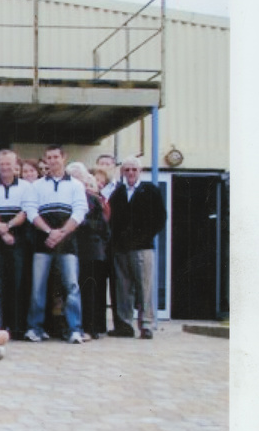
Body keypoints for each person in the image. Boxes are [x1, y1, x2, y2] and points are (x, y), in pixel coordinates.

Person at [23, 144, 88, 344]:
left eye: (55, 157)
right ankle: (35, 328)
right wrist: (49, 232)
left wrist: (61, 233)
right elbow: (31, 211)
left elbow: (79, 211)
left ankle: (75, 329)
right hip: (42, 243)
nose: (52, 161)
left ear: (63, 158)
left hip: (67, 244)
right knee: (38, 287)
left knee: (72, 286)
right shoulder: (37, 186)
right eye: (48, 158)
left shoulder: (76, 185)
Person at [108, 156, 167, 339]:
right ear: (122, 172)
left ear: (140, 171)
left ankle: (147, 324)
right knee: (123, 288)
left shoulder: (150, 191)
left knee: (144, 287)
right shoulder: (118, 193)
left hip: (142, 248)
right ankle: (125, 325)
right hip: (121, 249)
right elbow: (112, 220)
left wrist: (143, 238)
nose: (130, 173)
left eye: (134, 169)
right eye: (127, 170)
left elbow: (160, 218)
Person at [0, 149, 32, 335]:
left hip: (19, 236)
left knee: (18, 281)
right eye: (1, 164)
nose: (5, 167)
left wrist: (8, 226)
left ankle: (17, 327)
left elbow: (26, 211)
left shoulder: (26, 187)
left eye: (8, 164)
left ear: (15, 164)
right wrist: (1, 230)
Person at [69, 162, 110, 339]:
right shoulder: (67, 196)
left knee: (89, 291)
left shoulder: (92, 199)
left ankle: (90, 328)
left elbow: (102, 226)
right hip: (71, 249)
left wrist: (79, 223)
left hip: (90, 250)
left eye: (81, 179)